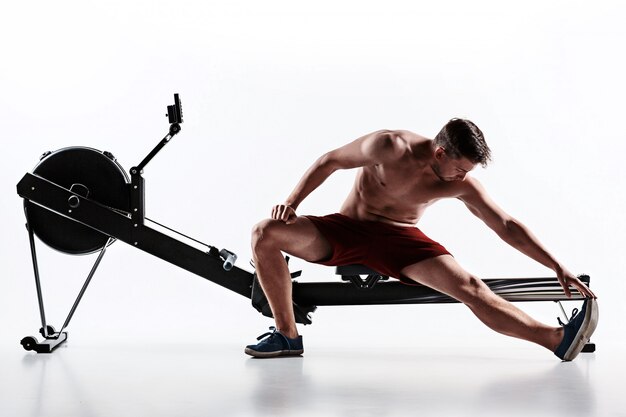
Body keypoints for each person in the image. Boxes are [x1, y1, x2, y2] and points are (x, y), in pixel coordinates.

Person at [246, 119, 598, 360]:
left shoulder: (460, 183)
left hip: (401, 240)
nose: (462, 177)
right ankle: (288, 337)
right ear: (440, 153)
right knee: (265, 232)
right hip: (346, 229)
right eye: (460, 168)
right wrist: (291, 203)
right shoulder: (388, 145)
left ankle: (557, 339)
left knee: (472, 288)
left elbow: (505, 224)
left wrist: (555, 265)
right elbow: (330, 161)